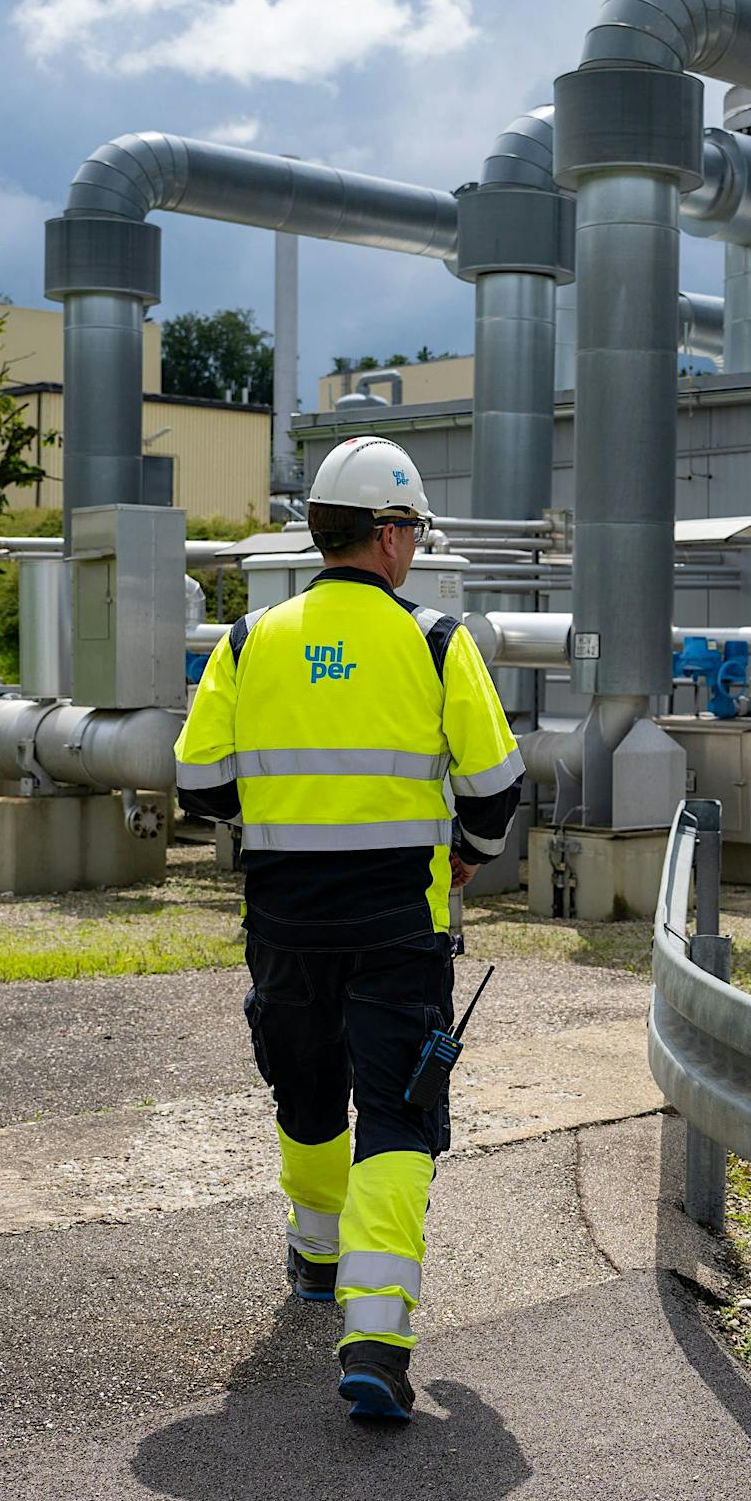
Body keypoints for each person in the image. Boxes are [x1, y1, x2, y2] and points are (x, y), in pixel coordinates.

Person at [174, 434, 522, 1422]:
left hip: (284, 922)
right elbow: (495, 790)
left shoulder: (248, 642)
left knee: (308, 1089)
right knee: (398, 1116)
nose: (412, 544)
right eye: (409, 525)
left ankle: (316, 1252)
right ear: (386, 533)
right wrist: (468, 850)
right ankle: (374, 1338)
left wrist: (281, 828)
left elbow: (199, 785)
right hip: (396, 930)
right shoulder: (434, 641)